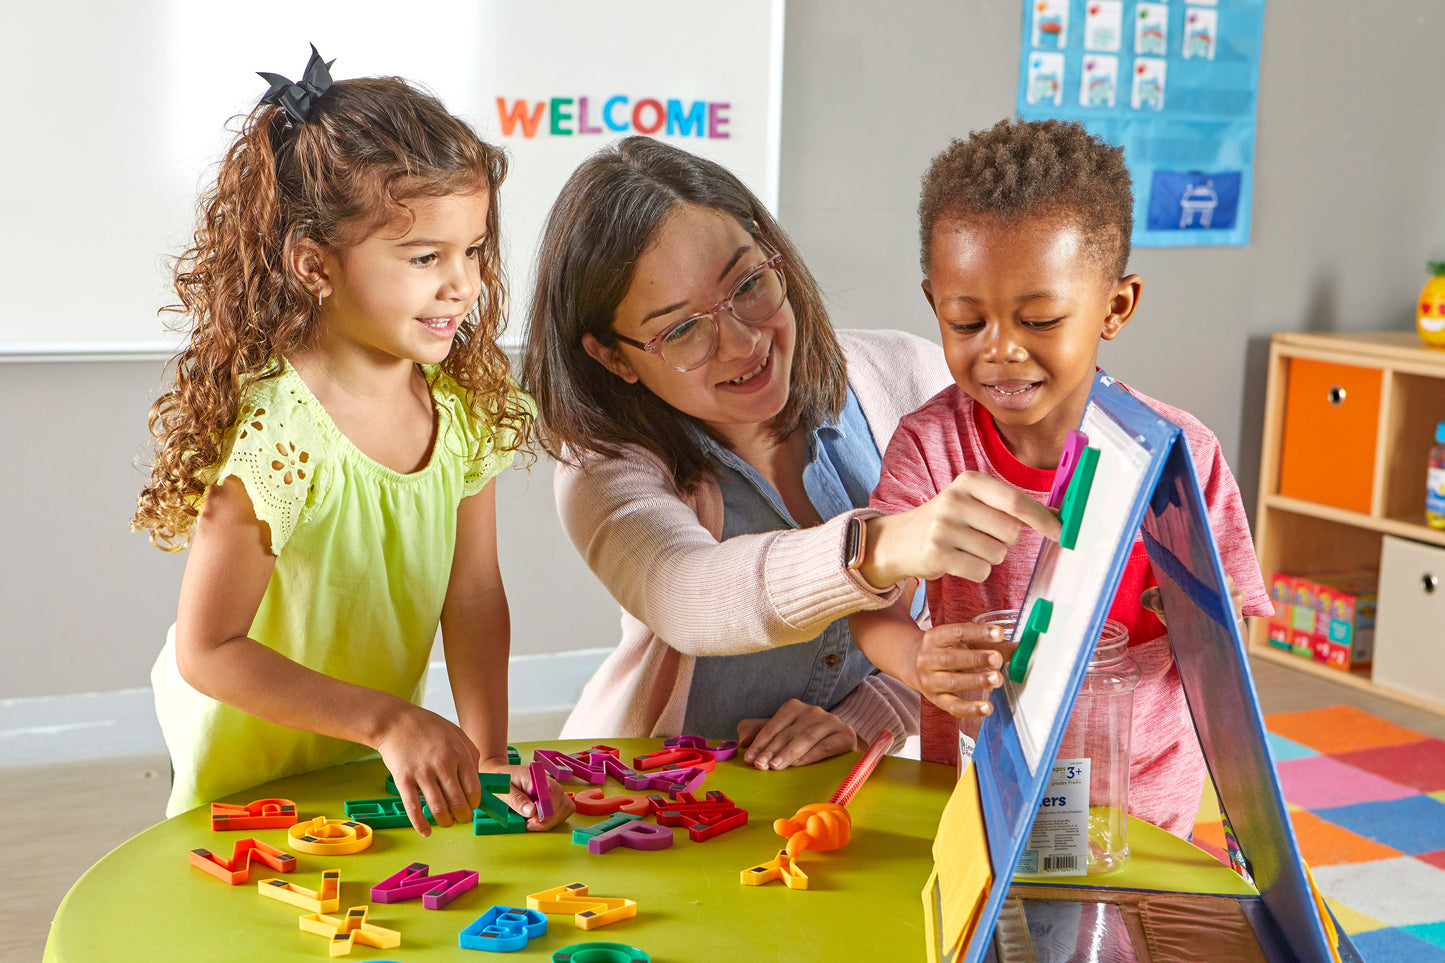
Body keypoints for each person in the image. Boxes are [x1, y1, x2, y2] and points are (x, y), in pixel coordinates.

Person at [132, 48, 571, 834]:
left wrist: (491, 750)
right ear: (315, 265)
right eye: (424, 257)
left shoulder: (462, 407)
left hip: (360, 753)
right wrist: (387, 720)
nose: (463, 283)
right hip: (243, 773)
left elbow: (471, 595)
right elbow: (210, 649)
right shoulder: (278, 439)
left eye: (472, 250)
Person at [521, 136, 1060, 771]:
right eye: (683, 330)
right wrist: (878, 546)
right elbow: (685, 595)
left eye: (748, 284)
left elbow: (984, 634)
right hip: (659, 800)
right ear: (614, 356)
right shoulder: (602, 465)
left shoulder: (908, 380)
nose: (743, 342)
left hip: (845, 798)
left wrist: (862, 718)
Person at [863, 118, 1271, 836]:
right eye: (966, 322)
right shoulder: (929, 443)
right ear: (935, 305)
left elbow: (1237, 644)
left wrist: (1208, 618)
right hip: (977, 790)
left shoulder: (1181, 454)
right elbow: (870, 599)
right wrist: (916, 658)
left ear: (1114, 307)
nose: (1001, 352)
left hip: (1138, 803)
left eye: (1040, 320)